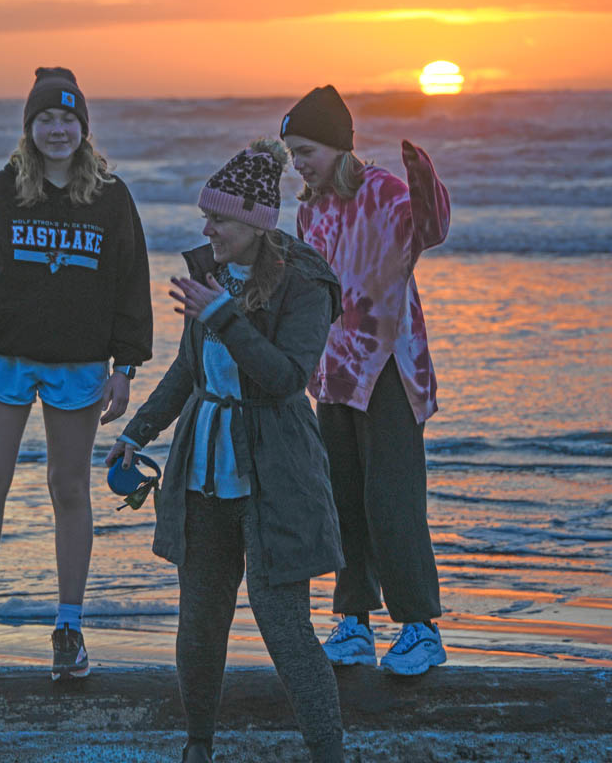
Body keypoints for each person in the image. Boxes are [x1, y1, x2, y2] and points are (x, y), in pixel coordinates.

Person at [107, 139, 346, 763]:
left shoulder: (305, 284)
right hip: (201, 472)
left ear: (256, 225)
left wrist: (224, 317)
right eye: (205, 216)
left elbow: (287, 378)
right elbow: (189, 372)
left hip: (278, 472)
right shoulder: (207, 277)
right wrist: (138, 431)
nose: (206, 228)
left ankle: (329, 752)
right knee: (200, 624)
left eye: (218, 219)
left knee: (285, 628)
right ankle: (198, 747)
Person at [0, 66, 152, 680]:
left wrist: (128, 366)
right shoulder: (1, 191)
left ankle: (69, 626)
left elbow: (130, 283)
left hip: (80, 364)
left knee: (69, 489)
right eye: (45, 118)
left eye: (67, 118)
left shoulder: (111, 196)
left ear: (83, 128)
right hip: (2, 359)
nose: (56, 129)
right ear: (29, 127)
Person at [280, 85, 450, 676]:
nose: (298, 163)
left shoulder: (384, 191)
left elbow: (429, 231)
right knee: (341, 499)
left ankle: (420, 627)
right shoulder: (310, 209)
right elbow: (305, 290)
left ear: (336, 145)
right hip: (331, 371)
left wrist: (423, 180)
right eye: (292, 153)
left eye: (306, 150)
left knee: (391, 499)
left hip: (388, 370)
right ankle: (352, 622)